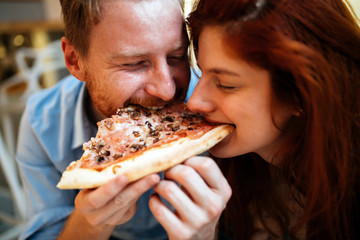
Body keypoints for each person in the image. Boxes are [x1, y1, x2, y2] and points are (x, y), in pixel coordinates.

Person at [15, 0, 222, 239]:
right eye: (134, 64)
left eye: (177, 56)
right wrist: (90, 224)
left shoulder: (217, 105)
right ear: (75, 60)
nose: (167, 89)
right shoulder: (42, 124)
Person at [179, 0, 359, 239]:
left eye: (225, 84)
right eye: (201, 72)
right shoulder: (231, 171)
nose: (194, 102)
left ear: (299, 96)